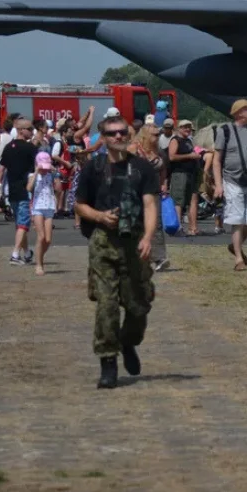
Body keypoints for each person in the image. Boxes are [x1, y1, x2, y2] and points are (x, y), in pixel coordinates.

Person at [74, 114, 160, 389]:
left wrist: (148, 237)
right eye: (112, 134)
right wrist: (99, 217)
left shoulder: (143, 168)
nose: (119, 137)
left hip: (134, 242)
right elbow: (79, 205)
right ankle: (107, 361)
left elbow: (149, 205)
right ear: (104, 138)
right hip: (103, 242)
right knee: (107, 304)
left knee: (139, 306)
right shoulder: (94, 168)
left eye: (123, 132)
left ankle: (128, 342)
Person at [214, 100, 247, 271]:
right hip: (232, 180)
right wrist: (218, 185)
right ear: (238, 113)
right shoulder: (225, 131)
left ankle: (235, 245)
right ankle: (238, 258)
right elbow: (216, 160)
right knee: (237, 219)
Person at [0, 117, 37, 265]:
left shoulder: (8, 147)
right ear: (21, 130)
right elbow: (40, 165)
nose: (32, 132)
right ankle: (15, 254)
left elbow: (1, 169)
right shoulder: (30, 148)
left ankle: (26, 253)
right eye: (30, 129)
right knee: (23, 224)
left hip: (12, 190)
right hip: (25, 190)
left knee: (20, 223)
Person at [131, 124, 170, 272]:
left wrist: (164, 182)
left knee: (157, 224)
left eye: (158, 134)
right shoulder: (135, 149)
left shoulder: (158, 150)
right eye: (154, 134)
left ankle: (160, 257)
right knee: (137, 223)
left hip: (154, 191)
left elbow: (163, 167)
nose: (157, 137)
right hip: (137, 192)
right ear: (145, 135)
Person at [27, 151, 57, 276]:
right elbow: (29, 188)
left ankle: (39, 256)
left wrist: (52, 170)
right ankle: (39, 264)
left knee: (48, 239)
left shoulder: (50, 175)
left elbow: (57, 187)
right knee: (41, 237)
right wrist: (36, 172)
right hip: (38, 207)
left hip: (49, 207)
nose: (44, 170)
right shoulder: (33, 175)